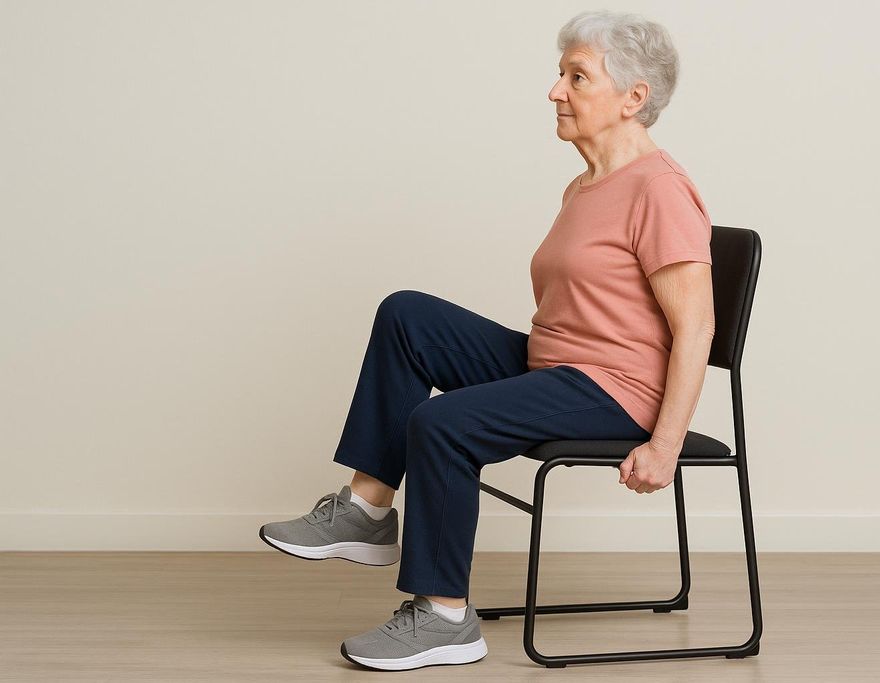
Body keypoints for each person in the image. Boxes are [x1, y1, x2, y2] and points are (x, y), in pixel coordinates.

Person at [258, 9, 716, 672]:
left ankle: (444, 616)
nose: (555, 90)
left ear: (632, 98)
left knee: (442, 422)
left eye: (577, 77)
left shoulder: (660, 190)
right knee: (407, 314)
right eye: (560, 74)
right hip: (556, 365)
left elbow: (695, 325)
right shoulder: (586, 185)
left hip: (616, 391)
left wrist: (664, 444)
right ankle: (366, 508)